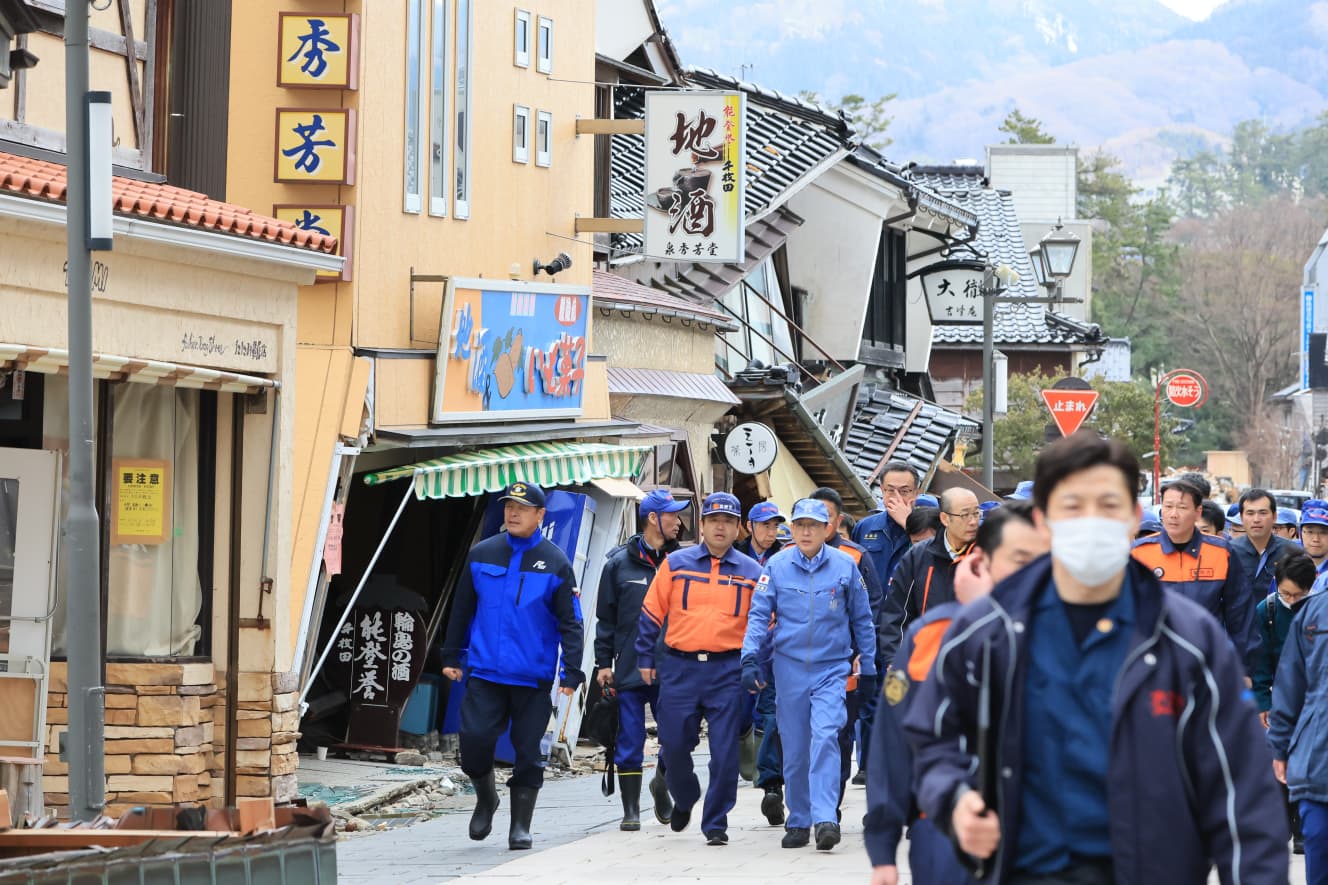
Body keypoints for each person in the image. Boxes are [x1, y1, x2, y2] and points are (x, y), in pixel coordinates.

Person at [904, 431, 1288, 883]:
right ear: (1044, 521)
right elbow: (932, 739)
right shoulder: (986, 632)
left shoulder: (1188, 641)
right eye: (1072, 506)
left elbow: (1242, 794)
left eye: (1107, 505)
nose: (1090, 522)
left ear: (1132, 518)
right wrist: (954, 797)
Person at [865, 501, 1047, 885]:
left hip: (1046, 832)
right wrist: (883, 845)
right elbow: (893, 739)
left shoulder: (1076, 636)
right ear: (984, 561)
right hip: (945, 828)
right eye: (1018, 558)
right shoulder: (931, 635)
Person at [441, 482, 585, 851]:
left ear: (540, 515)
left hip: (531, 678)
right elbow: (461, 609)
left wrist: (571, 670)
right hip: (485, 672)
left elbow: (571, 622)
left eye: (523, 507)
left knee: (527, 753)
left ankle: (521, 825)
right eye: (509, 506)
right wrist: (450, 656)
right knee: (473, 745)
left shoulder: (556, 563)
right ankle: (486, 797)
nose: (513, 513)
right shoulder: (482, 554)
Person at [742, 498, 877, 852]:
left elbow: (863, 619)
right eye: (799, 524)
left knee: (826, 736)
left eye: (813, 525)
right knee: (797, 747)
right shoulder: (777, 565)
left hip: (832, 667)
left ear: (826, 529)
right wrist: (749, 658)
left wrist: (870, 666)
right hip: (788, 669)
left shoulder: (846, 567)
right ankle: (799, 820)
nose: (805, 531)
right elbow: (758, 615)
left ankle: (826, 818)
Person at [634, 492, 761, 846]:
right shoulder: (675, 564)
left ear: (739, 529)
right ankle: (686, 795)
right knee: (674, 745)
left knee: (724, 752)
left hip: (728, 671)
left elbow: (765, 622)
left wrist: (757, 666)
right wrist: (644, 658)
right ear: (702, 525)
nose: (721, 527)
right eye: (714, 520)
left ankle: (716, 821)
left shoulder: (753, 573)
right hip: (680, 668)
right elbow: (650, 613)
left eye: (729, 521)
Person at [593, 489, 688, 831]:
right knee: (630, 737)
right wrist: (604, 663)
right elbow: (606, 619)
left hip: (674, 667)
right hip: (631, 666)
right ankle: (630, 810)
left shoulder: (681, 564)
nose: (679, 522)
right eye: (673, 515)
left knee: (677, 736)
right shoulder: (618, 564)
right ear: (653, 518)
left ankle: (661, 784)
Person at [1131, 479, 1258, 671]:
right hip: (1155, 662)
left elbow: (1240, 615)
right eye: (1168, 506)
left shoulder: (1221, 553)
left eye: (1182, 507)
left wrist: (1243, 668)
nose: (1174, 514)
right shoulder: (1139, 553)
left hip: (1206, 660)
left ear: (1198, 512)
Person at [809, 487, 885, 793]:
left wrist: (862, 654)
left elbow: (872, 608)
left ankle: (831, 804)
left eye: (825, 518)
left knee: (838, 732)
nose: (817, 525)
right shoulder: (785, 557)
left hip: (843, 664)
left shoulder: (854, 556)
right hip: (796, 665)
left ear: (837, 520)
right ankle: (805, 805)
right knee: (800, 736)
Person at [1270, 552, 1328, 879]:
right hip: (1319, 758)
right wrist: (1279, 747)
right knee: (1318, 840)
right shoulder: (1313, 613)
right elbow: (1289, 685)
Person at [1255, 550, 1315, 855]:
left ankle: (1301, 826)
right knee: (1278, 761)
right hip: (1280, 697)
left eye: (1298, 595)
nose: (1290, 600)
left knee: (1307, 762)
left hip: (1314, 699)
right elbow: (1260, 661)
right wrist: (1262, 701)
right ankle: (1283, 825)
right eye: (1285, 593)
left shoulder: (1317, 612)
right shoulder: (1266, 611)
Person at [878, 488, 980, 664]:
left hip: (973, 662)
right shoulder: (919, 556)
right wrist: (895, 661)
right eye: (965, 515)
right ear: (945, 518)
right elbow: (897, 614)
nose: (973, 521)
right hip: (925, 661)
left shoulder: (987, 555)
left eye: (976, 513)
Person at [853, 462, 919, 583]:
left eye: (904, 491)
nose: (896, 497)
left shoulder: (928, 528)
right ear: (882, 490)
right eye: (890, 490)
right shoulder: (865, 526)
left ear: (916, 493)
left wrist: (908, 524)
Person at [1231, 488, 1295, 596]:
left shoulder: (1292, 552)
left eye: (1263, 513)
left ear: (1274, 517)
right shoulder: (1229, 551)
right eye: (1250, 513)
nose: (1256, 519)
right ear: (1241, 518)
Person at [736, 501, 785, 566]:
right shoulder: (734, 554)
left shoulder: (784, 556)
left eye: (776, 526)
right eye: (766, 526)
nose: (771, 534)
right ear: (750, 526)